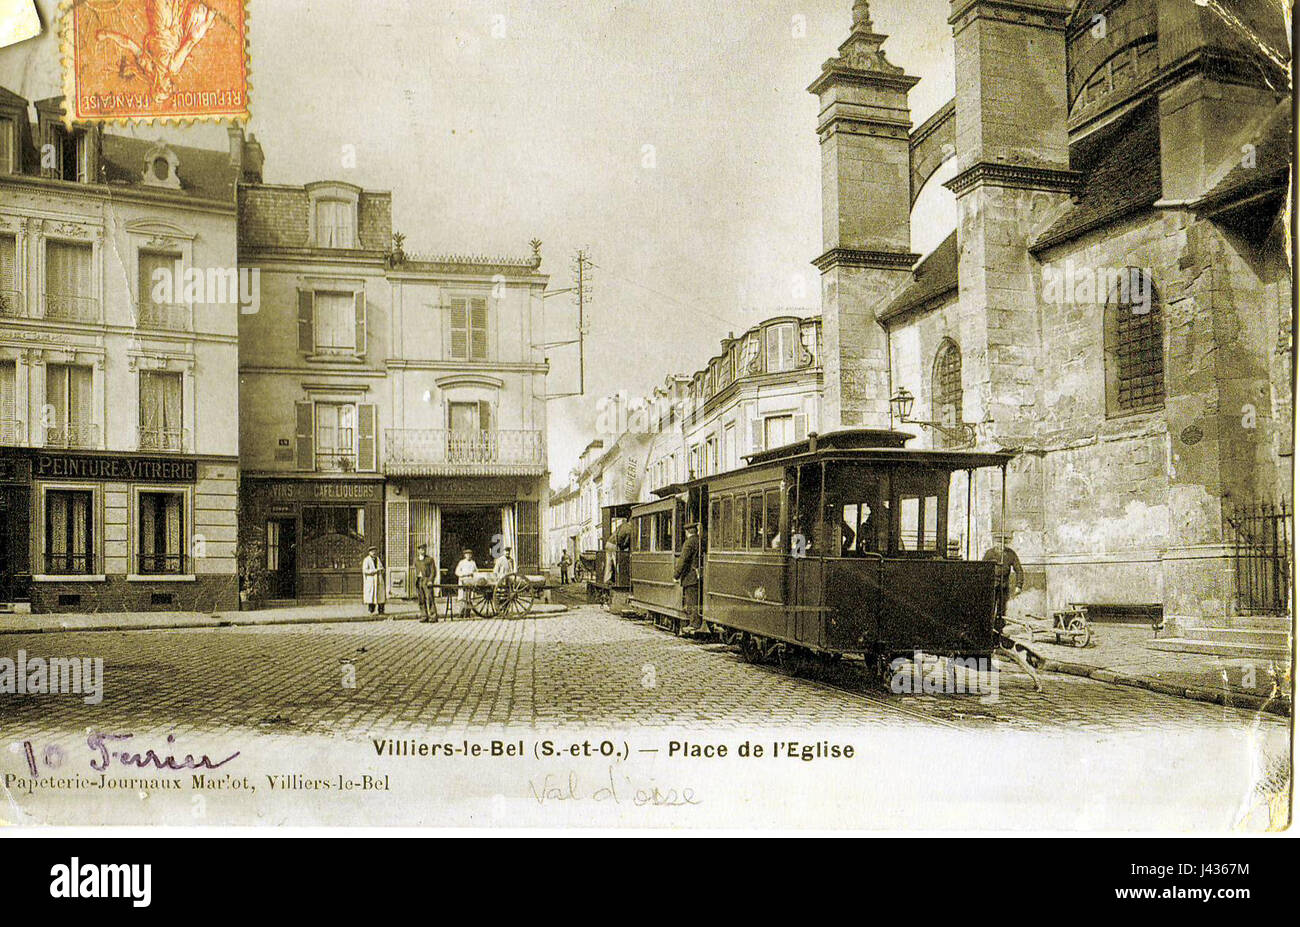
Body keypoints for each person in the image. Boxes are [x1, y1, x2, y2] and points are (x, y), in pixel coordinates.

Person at [982, 536, 1024, 621]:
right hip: (991, 586)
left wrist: (1018, 586)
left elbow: (1019, 570)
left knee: (1002, 610)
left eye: (1002, 543)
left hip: (1004, 586)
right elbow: (982, 569)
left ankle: (999, 629)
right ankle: (989, 630)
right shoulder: (989, 553)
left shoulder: (1010, 553)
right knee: (989, 609)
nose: (1000, 545)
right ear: (994, 543)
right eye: (998, 543)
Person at [674, 522, 702, 631]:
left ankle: (694, 624)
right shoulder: (701, 541)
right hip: (700, 574)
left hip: (691, 576)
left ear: (687, 532)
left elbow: (683, 560)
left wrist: (676, 575)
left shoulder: (689, 543)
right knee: (698, 599)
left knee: (692, 601)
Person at [413, 543, 438, 622]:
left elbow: (433, 571)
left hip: (427, 580)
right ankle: (424, 616)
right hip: (419, 581)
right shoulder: (416, 560)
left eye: (424, 549)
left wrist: (430, 580)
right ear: (418, 550)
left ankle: (433, 616)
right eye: (421, 549)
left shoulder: (429, 559)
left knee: (430, 598)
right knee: (421, 599)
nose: (422, 551)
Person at [454, 548, 478, 618]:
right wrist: (464, 574)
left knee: (469, 597)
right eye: (467, 554)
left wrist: (473, 575)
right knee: (463, 597)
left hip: (470, 581)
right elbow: (457, 572)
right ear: (465, 555)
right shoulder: (461, 562)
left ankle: (468, 613)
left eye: (470, 554)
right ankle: (461, 613)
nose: (468, 556)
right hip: (463, 581)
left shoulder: (473, 563)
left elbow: (476, 571)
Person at [361, 546, 386, 615]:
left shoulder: (378, 559)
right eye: (372, 552)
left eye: (375, 551)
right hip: (371, 580)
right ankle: (371, 610)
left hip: (378, 579)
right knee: (371, 596)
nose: (374, 553)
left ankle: (381, 610)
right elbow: (365, 570)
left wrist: (382, 569)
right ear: (369, 553)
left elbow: (381, 567)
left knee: (380, 596)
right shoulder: (366, 560)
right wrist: (374, 571)